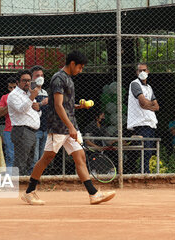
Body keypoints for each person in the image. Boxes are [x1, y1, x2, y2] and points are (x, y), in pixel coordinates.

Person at [21, 51, 116, 205]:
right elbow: (57, 106)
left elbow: (65, 105)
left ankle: (93, 194)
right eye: (80, 67)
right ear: (72, 64)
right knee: (47, 158)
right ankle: (29, 192)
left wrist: (79, 106)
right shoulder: (58, 79)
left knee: (80, 157)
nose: (81, 70)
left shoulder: (67, 79)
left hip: (69, 126)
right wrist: (70, 127)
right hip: (59, 127)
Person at [7, 70, 41, 175]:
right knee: (20, 162)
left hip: (32, 131)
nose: (27, 83)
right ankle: (16, 186)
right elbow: (21, 109)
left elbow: (36, 114)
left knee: (31, 162)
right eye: (24, 80)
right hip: (22, 130)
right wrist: (32, 97)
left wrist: (38, 109)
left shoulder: (29, 94)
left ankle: (24, 185)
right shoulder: (13, 95)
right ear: (17, 82)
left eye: (29, 80)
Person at [127, 63, 159, 173]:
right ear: (136, 72)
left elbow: (157, 106)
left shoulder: (149, 88)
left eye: (144, 70)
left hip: (150, 122)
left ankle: (144, 171)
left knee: (149, 150)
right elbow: (142, 102)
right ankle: (143, 172)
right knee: (145, 150)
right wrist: (150, 104)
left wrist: (147, 104)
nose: (142, 72)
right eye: (140, 71)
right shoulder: (135, 84)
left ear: (148, 71)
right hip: (140, 122)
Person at [30, 65, 49, 168]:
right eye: (37, 75)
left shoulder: (45, 92)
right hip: (35, 129)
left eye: (41, 75)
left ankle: (39, 177)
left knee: (42, 157)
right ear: (32, 78)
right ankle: (31, 178)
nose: (40, 77)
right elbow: (34, 107)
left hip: (45, 128)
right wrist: (42, 103)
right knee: (34, 157)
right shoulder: (30, 92)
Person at [0, 77, 17, 172]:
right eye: (10, 88)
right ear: (7, 88)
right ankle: (9, 177)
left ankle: (21, 178)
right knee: (10, 155)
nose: (12, 90)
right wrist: (10, 103)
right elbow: (0, 113)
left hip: (21, 129)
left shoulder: (23, 96)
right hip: (9, 130)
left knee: (22, 155)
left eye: (14, 87)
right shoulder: (4, 97)